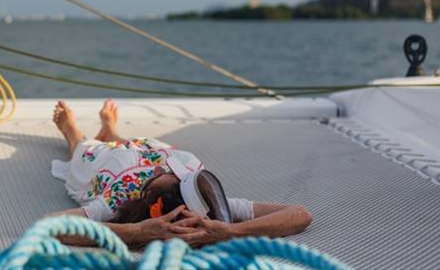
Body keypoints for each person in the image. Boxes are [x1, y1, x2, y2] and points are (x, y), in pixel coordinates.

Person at [48, 99, 312, 249]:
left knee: (85, 151)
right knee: (140, 146)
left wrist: (135, 231)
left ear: (157, 204)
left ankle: (72, 132)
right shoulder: (208, 201)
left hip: (109, 167)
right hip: (148, 151)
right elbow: (301, 213)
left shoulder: (118, 202)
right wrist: (232, 231)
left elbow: (47, 226)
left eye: (169, 176)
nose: (166, 169)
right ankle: (112, 130)